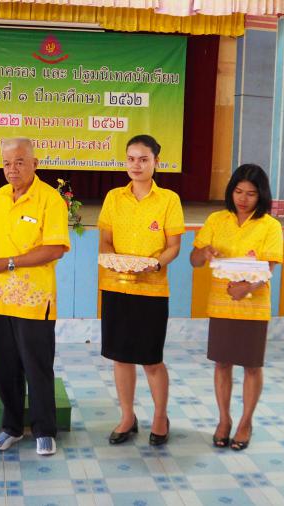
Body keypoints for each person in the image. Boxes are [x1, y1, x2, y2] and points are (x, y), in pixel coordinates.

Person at [0, 138, 70, 456]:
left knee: (37, 366)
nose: (12, 169)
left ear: (35, 163)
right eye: (7, 163)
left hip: (34, 300)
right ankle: (11, 427)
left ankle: (44, 430)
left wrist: (8, 263)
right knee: (3, 365)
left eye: (20, 162)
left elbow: (55, 249)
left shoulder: (50, 200)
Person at [98, 135, 184, 446]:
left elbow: (174, 246)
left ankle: (160, 417)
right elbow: (105, 241)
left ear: (156, 162)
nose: (136, 165)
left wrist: (155, 264)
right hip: (115, 287)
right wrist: (115, 261)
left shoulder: (169, 200)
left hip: (152, 289)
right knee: (121, 357)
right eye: (131, 159)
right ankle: (127, 417)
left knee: (151, 359)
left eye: (143, 159)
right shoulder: (113, 197)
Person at [190, 164, 283, 451]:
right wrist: (204, 252)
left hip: (253, 306)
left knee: (252, 366)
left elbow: (269, 267)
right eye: (238, 191)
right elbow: (194, 260)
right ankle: (224, 420)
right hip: (221, 305)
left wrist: (248, 288)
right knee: (222, 363)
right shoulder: (216, 219)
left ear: (261, 195)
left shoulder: (270, 225)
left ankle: (245, 422)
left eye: (251, 194)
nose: (243, 198)